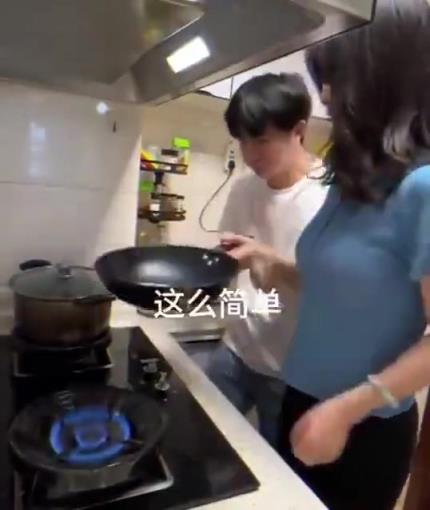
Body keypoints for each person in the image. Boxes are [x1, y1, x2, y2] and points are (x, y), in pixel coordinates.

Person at [220, 1, 430, 509]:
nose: (327, 95)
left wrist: (349, 409)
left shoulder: (422, 187)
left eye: (336, 79)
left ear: (388, 79)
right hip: (299, 400)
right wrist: (266, 259)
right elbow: (333, 286)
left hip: (362, 425)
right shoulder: (349, 182)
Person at [207, 73, 328, 448]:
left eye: (261, 140)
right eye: (242, 141)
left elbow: (334, 291)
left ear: (299, 131)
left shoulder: (329, 198)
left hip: (289, 372)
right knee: (199, 441)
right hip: (236, 350)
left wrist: (267, 258)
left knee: (275, 466)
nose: (250, 154)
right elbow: (230, 257)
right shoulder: (245, 187)